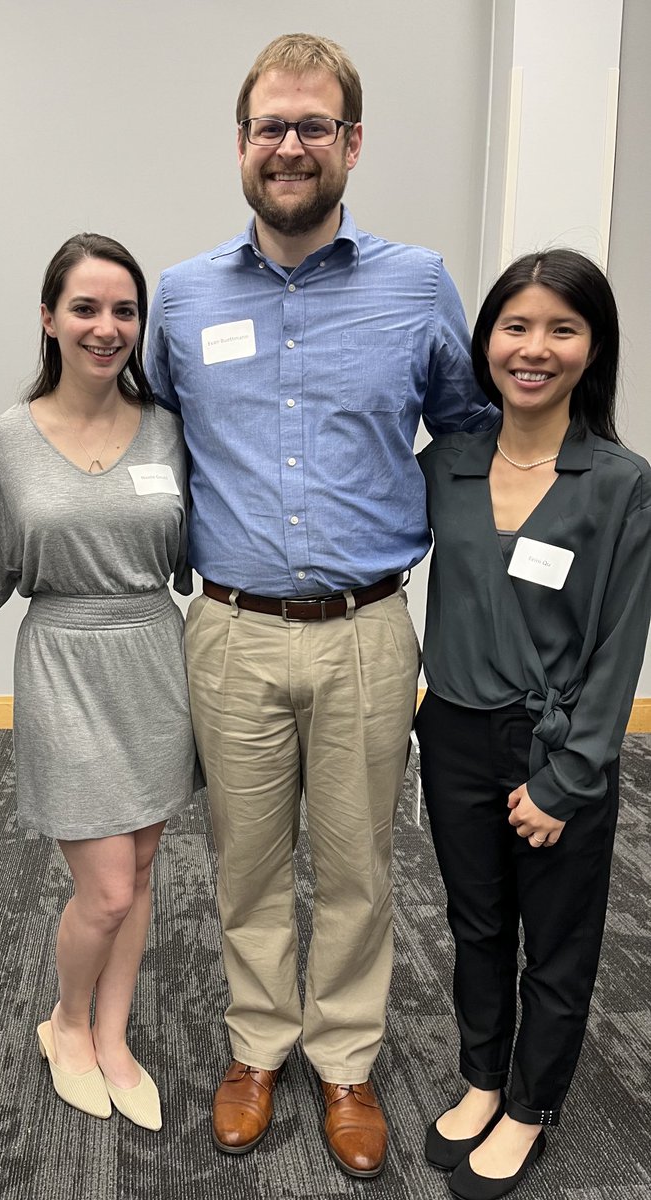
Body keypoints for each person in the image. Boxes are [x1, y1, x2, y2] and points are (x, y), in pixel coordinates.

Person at [145, 31, 496, 1177]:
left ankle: (344, 1061)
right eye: (268, 128)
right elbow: (143, 438)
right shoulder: (185, 296)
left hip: (366, 631)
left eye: (311, 126)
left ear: (351, 142)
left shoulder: (419, 282)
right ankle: (258, 1046)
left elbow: (471, 428)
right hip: (231, 631)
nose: (288, 147)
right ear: (240, 145)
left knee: (356, 864)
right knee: (243, 861)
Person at [415, 249, 651, 1200]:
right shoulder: (450, 464)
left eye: (562, 328)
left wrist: (569, 777)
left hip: (559, 744)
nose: (535, 347)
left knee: (557, 940)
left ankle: (529, 1106)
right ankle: (481, 1077)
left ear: (593, 350)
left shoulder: (618, 481)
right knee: (475, 923)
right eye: (516, 326)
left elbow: (621, 642)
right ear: (487, 343)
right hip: (455, 735)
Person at [0, 232, 196, 1133]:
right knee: (103, 888)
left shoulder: (171, 431)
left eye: (124, 310)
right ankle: (63, 1022)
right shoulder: (6, 441)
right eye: (86, 308)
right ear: (49, 319)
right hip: (63, 660)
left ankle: (113, 1034)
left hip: (154, 656)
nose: (107, 328)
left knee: (141, 871)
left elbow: (188, 558)